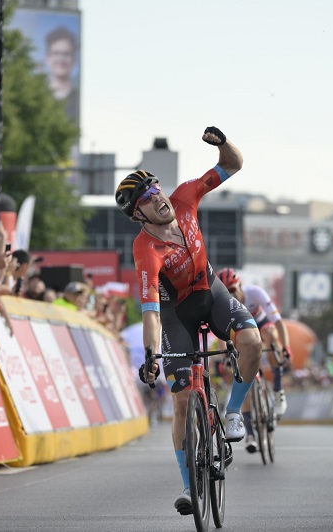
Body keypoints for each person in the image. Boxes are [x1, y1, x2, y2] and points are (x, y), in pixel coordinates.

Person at [115, 126, 262, 515]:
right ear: (137, 214)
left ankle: (233, 412)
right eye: (146, 198)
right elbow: (150, 311)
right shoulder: (146, 249)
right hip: (176, 314)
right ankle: (187, 485)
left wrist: (222, 144)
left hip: (212, 293)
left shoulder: (184, 196)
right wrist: (151, 355)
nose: (157, 197)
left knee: (252, 342)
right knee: (182, 400)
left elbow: (233, 164)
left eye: (155, 188)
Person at [216, 267, 291, 453]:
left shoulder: (255, 293)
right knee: (244, 383)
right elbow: (222, 336)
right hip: (240, 331)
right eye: (226, 292)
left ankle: (278, 390)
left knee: (270, 334)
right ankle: (250, 433)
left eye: (233, 290)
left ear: (240, 286)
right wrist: (225, 357)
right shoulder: (223, 304)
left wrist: (285, 346)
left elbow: (278, 322)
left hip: (261, 324)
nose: (230, 295)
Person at [44, 26, 79, 123]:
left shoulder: (79, 99)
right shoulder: (36, 95)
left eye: (66, 54)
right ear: (48, 58)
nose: (61, 59)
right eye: (56, 53)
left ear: (74, 59)